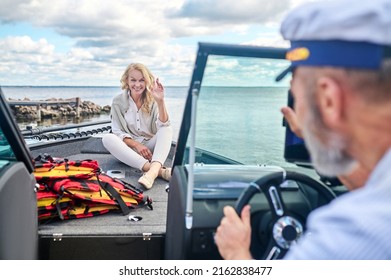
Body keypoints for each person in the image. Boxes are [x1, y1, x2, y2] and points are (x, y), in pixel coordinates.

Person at [215, 0, 391, 259]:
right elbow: (373, 182)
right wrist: (319, 133)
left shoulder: (349, 236)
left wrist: (236, 253)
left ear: (329, 100)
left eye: (299, 99)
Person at [102, 63, 173, 189]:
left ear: (147, 81)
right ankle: (158, 171)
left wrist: (161, 102)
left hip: (151, 150)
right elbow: (117, 131)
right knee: (107, 138)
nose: (137, 84)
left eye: (141, 80)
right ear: (127, 81)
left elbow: (163, 124)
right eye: (133, 80)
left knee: (167, 128)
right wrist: (137, 145)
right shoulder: (118, 102)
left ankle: (151, 172)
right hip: (128, 149)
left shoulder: (153, 99)